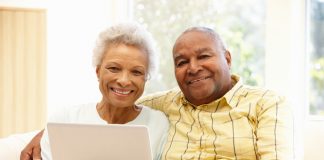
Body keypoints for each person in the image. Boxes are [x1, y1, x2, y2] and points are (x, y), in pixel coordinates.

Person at [21, 26, 294, 160]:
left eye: (204, 56)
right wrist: (47, 131)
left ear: (227, 58)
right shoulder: (167, 106)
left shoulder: (266, 103)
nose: (194, 67)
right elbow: (120, 103)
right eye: (182, 62)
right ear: (97, 71)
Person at [22, 22, 169, 160]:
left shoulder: (159, 124)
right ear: (98, 71)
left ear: (146, 78)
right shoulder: (65, 119)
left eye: (136, 72)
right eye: (114, 68)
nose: (124, 81)